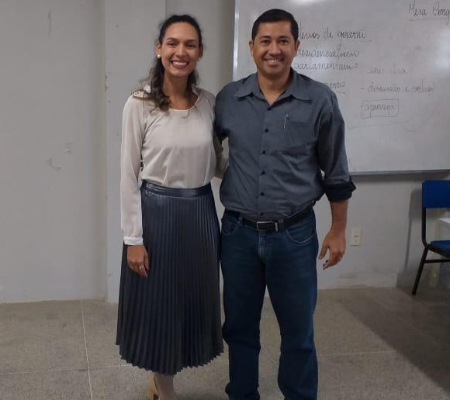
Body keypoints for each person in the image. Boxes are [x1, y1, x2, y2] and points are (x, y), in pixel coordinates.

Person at [214, 8, 356, 400]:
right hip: (238, 234)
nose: (273, 49)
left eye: (282, 41)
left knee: (298, 331)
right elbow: (200, 147)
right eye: (265, 41)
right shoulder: (229, 99)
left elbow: (337, 172)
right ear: (252, 47)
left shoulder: (320, 100)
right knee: (239, 327)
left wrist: (338, 229)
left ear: (296, 46)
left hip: (294, 236)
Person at [116, 14, 226, 400]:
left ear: (200, 52)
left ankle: (163, 380)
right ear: (159, 48)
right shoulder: (140, 104)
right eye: (173, 43)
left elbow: (218, 164)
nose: (181, 52)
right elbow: (128, 174)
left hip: (200, 215)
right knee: (159, 306)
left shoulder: (209, 103)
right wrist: (133, 239)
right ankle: (165, 388)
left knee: (190, 302)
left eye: (190, 44)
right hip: (156, 215)